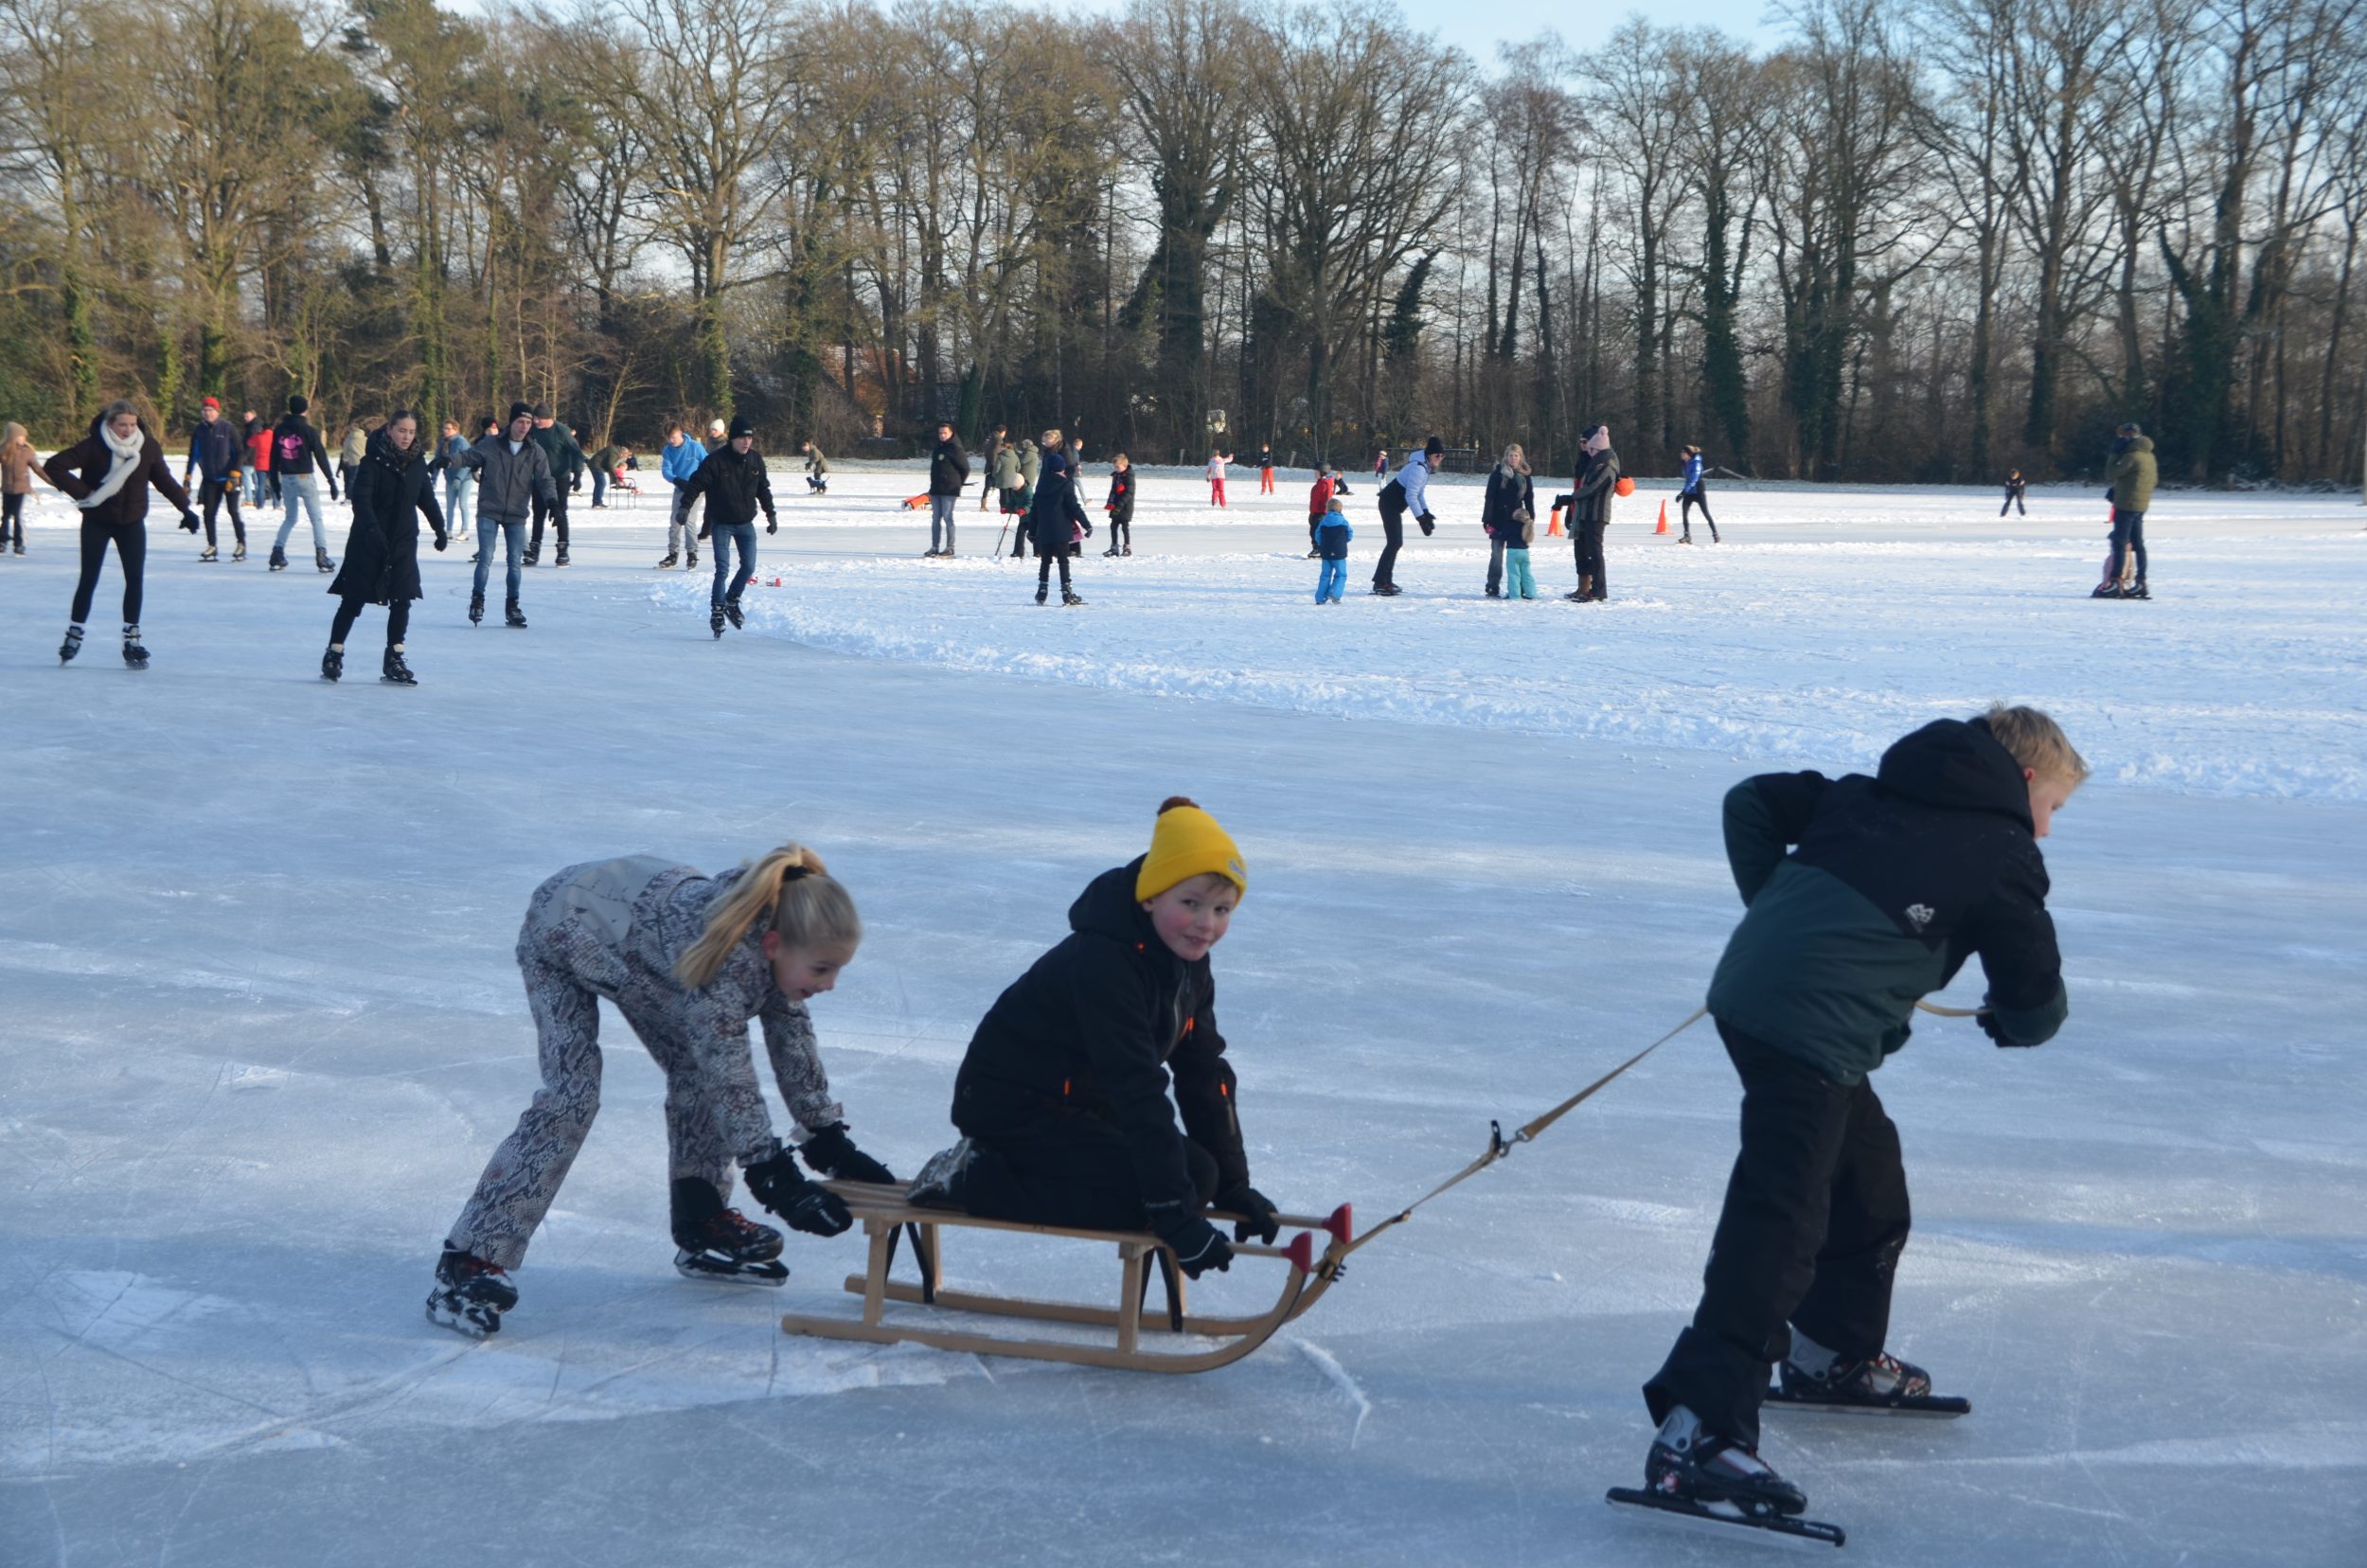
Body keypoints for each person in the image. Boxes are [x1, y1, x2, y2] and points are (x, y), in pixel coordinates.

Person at [1638, 704, 2082, 1523]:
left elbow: (1751, 802)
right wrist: (2015, 1022)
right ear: (2024, 781)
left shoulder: (1864, 794)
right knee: (1781, 1221)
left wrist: (1780, 917)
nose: (2048, 828)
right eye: (2052, 805)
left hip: (1761, 999)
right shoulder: (2002, 852)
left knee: (1867, 1179)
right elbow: (2034, 999)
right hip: (1808, 1028)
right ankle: (1698, 1432)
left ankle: (1831, 1354)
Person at [428, 845, 898, 1338]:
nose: (830, 984)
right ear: (774, 944)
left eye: (837, 969)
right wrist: (773, 1175)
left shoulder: (773, 944)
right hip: (563, 928)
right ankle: (470, 1258)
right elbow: (731, 1078)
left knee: (696, 1070)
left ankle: (701, 1218)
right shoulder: (723, 969)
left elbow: (793, 1042)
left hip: (641, 942)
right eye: (822, 969)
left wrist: (827, 1138)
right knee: (571, 1097)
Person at [906, 797, 1274, 1285]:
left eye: (1222, 909)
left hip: (1080, 1105)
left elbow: (1203, 1072)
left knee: (1200, 1177)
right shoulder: (1105, 963)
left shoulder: (1189, 966)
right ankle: (973, 1178)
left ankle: (1186, 1188)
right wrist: (1173, 1214)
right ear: (1150, 897)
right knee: (1149, 1198)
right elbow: (1136, 1084)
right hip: (1011, 1107)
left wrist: (1233, 1186)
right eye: (1191, 903)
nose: (1207, 923)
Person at [42, 399, 200, 668]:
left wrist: (186, 509)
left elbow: (164, 480)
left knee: (135, 579)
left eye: (132, 425)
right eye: (122, 425)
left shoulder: (147, 447)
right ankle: (74, 634)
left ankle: (132, 640)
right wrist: (85, 493)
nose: (127, 430)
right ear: (110, 424)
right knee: (89, 578)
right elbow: (54, 465)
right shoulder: (94, 445)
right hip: (97, 521)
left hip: (131, 523)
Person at [322, 410, 448, 686]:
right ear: (389, 430)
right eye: (402, 430)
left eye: (411, 432)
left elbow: (427, 499)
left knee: (402, 600)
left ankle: (395, 658)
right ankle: (334, 652)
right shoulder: (372, 462)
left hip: (403, 542)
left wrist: (440, 529)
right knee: (353, 599)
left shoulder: (417, 463)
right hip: (368, 542)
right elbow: (361, 500)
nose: (406, 436)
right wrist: (371, 529)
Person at [449, 401, 559, 628]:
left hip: (517, 513)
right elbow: (469, 457)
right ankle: (477, 600)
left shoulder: (535, 451)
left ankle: (512, 606)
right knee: (486, 557)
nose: (524, 426)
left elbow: (545, 480)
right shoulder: (492, 444)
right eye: (520, 422)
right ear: (512, 422)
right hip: (489, 509)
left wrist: (553, 503)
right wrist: (449, 461)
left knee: (514, 562)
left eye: (528, 423)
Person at [676, 415, 775, 637]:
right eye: (742, 438)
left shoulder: (755, 460)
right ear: (732, 439)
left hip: (745, 523)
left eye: (749, 438)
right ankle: (717, 612)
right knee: (722, 569)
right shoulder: (716, 461)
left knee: (748, 567)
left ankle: (731, 600)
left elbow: (763, 489)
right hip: (722, 523)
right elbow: (696, 484)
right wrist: (684, 507)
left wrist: (771, 514)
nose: (746, 442)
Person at [268, 394, 338, 573]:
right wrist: (331, 480)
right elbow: (321, 456)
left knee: (290, 518)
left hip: (287, 478)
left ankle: (277, 552)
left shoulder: (280, 430)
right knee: (316, 518)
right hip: (305, 477)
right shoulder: (308, 430)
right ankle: (321, 555)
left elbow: (273, 457)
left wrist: (274, 483)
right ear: (305, 410)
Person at [1023, 437, 1090, 605]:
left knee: (1045, 561)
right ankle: (1067, 592)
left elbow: (1034, 511)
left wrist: (1032, 531)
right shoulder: (1065, 485)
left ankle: (1042, 591)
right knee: (1063, 561)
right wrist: (1086, 524)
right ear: (1061, 468)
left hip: (1045, 531)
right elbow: (1074, 507)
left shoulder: (1041, 487)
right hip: (1061, 531)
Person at [1374, 437, 1440, 597]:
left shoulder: (1424, 467)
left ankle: (1385, 581)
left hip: (1393, 506)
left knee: (1395, 542)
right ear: (1429, 455)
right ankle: (1381, 582)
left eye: (1442, 456)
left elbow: (1419, 493)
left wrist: (1426, 512)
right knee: (1394, 542)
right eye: (1437, 455)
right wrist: (1421, 519)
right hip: (1388, 504)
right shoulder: (1419, 469)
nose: (1440, 458)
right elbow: (1410, 496)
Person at [182, 397, 246, 561]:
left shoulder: (228, 428)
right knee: (208, 513)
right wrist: (188, 477)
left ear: (217, 411)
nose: (207, 414)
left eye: (210, 410)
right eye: (204, 411)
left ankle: (241, 544)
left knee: (233, 511)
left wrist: (235, 473)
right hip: (210, 479)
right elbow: (193, 454)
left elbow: (240, 452)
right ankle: (212, 546)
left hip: (230, 478)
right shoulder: (199, 430)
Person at [2097, 422, 2154, 599]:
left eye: (2123, 436)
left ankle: (2116, 581)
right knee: (2138, 543)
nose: (2121, 439)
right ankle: (2141, 581)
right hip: (2140, 505)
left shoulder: (2131, 456)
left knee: (2119, 543)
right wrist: (2120, 488)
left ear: (2131, 437)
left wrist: (2114, 453)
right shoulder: (2149, 456)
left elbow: (2110, 473)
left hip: (2126, 505)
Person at [525, 404, 583, 566]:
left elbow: (577, 453)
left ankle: (563, 550)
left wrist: (577, 474)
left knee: (560, 513)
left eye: (538, 419)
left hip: (559, 478)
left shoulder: (562, 432)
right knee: (538, 514)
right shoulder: (532, 431)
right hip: (539, 478)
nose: (535, 422)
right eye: (534, 419)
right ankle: (534, 549)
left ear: (547, 418)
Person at [1566, 424, 1619, 602]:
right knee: (1585, 551)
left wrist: (1569, 498)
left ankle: (1598, 590)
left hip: (1596, 514)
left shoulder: (1607, 464)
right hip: (1586, 512)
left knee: (1595, 553)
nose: (1588, 450)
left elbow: (1592, 487)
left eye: (1591, 448)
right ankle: (1588, 588)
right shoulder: (1594, 462)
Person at [1481, 443, 1536, 598]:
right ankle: (1492, 586)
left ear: (1520, 457)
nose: (1513, 459)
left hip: (1517, 521)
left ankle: (1520, 588)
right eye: (1510, 455)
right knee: (1496, 554)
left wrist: (1531, 518)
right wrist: (1487, 519)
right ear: (1506, 457)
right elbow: (1490, 497)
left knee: (1517, 555)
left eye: (1516, 456)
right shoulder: (1497, 474)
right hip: (1498, 519)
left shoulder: (1525, 475)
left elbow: (1529, 498)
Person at [659, 422, 704, 569]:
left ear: (681, 433)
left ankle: (692, 554)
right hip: (680, 488)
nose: (671, 441)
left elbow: (708, 464)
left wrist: (700, 481)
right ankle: (673, 554)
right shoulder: (668, 450)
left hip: (696, 489)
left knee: (689, 520)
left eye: (674, 437)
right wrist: (676, 480)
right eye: (669, 438)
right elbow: (666, 470)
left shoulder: (695, 447)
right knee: (675, 520)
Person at [925, 420, 969, 557]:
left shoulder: (956, 449)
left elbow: (965, 468)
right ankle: (934, 546)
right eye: (940, 433)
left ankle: (950, 547)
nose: (942, 435)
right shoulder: (938, 448)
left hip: (950, 488)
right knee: (935, 518)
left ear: (951, 433)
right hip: (936, 488)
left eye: (945, 433)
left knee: (947, 516)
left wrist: (958, 483)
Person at [2, 420, 40, 555]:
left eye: (25, 437)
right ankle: (2, 541)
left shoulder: (27, 452)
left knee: (17, 515)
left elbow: (38, 469)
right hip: (7, 488)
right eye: (21, 436)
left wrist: (52, 481)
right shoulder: (3, 451)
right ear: (13, 437)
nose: (24, 439)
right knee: (5, 516)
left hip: (21, 489)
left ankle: (19, 544)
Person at [435, 419, 474, 541]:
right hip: (450, 478)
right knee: (450, 505)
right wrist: (433, 478)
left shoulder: (462, 442)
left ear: (456, 430)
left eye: (448, 428)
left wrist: (459, 478)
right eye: (444, 428)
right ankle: (449, 530)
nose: (445, 431)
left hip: (465, 478)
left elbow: (468, 462)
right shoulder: (442, 442)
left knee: (462, 504)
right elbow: (437, 461)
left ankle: (465, 530)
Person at [1312, 496, 1351, 603]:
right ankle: (1334, 594)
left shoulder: (1323, 521)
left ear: (1327, 509)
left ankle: (1320, 598)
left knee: (1325, 575)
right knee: (1341, 574)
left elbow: (1318, 535)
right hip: (1339, 552)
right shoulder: (1343, 521)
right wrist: (1343, 542)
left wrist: (1321, 544)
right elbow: (1349, 534)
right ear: (1340, 509)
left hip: (1326, 552)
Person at [992, 436, 1027, 553]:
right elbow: (1018, 467)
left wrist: (995, 475)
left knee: (1003, 495)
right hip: (1012, 478)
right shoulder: (1015, 456)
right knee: (1012, 495)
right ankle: (1013, 508)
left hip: (1002, 479)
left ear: (1004, 448)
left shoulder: (1000, 457)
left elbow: (996, 469)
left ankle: (1005, 508)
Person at [1677, 445, 1718, 543]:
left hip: (1698, 491)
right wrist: (1685, 492)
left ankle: (1715, 534)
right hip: (1689, 491)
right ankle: (1687, 536)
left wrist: (1683, 492)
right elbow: (1688, 479)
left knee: (1706, 513)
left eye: (1683, 453)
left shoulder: (1696, 463)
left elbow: (1693, 479)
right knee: (1684, 513)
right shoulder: (1685, 463)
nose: (1681, 454)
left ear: (1688, 454)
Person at [1102, 452, 1136, 556]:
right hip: (1115, 505)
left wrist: (1120, 505)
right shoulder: (1116, 476)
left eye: (1118, 467)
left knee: (1125, 527)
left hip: (1125, 506)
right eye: (1115, 467)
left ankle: (1127, 547)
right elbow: (1113, 490)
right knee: (1113, 526)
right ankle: (1114, 547)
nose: (1116, 469)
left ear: (1124, 465)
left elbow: (1129, 492)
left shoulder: (1129, 477)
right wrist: (1110, 502)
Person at [240, 409, 271, 508]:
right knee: (257, 480)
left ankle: (249, 499)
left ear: (253, 415)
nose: (245, 419)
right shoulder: (258, 426)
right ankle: (257, 499)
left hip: (251, 457)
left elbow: (249, 444)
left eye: (247, 416)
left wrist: (244, 457)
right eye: (245, 416)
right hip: (257, 458)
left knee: (246, 478)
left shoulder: (252, 428)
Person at [1307, 464, 1337, 557]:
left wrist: (1325, 513)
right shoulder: (1319, 484)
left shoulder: (1325, 484)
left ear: (1322, 472)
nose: (1315, 474)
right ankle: (1320, 548)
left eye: (1316, 472)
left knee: (1316, 532)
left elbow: (1327, 499)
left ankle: (1319, 549)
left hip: (1321, 513)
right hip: (1315, 512)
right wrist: (1312, 513)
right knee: (1313, 531)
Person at [978, 425, 1007, 510]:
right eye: (1005, 433)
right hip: (994, 465)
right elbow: (995, 453)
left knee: (988, 485)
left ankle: (983, 504)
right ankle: (1003, 506)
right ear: (1003, 432)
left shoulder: (992, 438)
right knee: (997, 485)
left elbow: (987, 451)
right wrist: (996, 465)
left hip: (989, 464)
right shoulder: (998, 440)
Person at [588, 440, 623, 508]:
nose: (623, 458)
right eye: (625, 456)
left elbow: (608, 464)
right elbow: (610, 465)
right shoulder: (615, 453)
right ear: (622, 453)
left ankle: (597, 502)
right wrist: (615, 478)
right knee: (601, 483)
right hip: (597, 465)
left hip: (596, 464)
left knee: (600, 483)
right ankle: (597, 503)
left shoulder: (614, 450)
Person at [337, 422, 366, 499]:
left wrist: (345, 459)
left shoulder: (348, 440)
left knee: (352, 480)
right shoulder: (365, 438)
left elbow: (345, 451)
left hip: (353, 461)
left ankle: (349, 497)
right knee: (364, 479)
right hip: (364, 461)